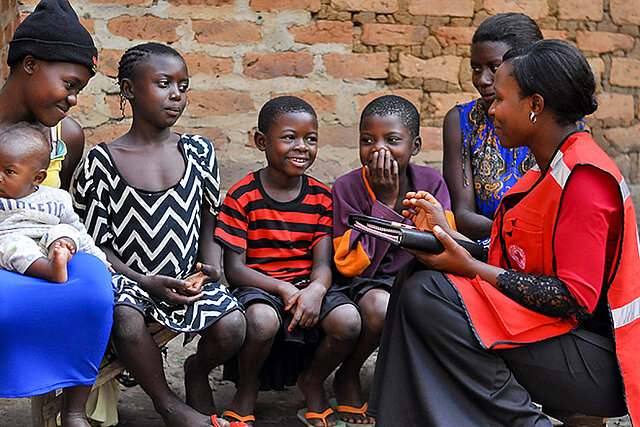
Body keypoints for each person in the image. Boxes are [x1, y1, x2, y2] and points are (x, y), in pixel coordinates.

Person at [368, 39, 640, 426]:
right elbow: (513, 258)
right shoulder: (543, 170)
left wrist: (469, 267)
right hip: (562, 337)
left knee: (429, 295)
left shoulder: (585, 179)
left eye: (500, 99)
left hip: (599, 363)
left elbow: (572, 299)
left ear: (536, 106)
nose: (491, 109)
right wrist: (447, 236)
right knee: (417, 276)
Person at [72, 42, 247, 427]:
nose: (176, 96)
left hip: (186, 279)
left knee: (234, 325)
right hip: (130, 281)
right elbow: (95, 244)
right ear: (129, 89)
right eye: (164, 83)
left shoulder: (198, 151)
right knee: (126, 319)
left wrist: (210, 265)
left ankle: (197, 370)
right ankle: (167, 404)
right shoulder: (102, 162)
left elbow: (207, 217)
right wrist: (143, 281)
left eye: (183, 86)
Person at [215, 96, 361, 427]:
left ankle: (313, 379)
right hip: (260, 287)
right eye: (289, 137)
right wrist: (283, 289)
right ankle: (247, 388)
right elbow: (235, 270)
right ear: (261, 141)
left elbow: (323, 263)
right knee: (263, 321)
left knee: (348, 321)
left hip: (306, 284)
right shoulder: (242, 197)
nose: (302, 147)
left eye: (311, 139)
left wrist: (316, 290)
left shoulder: (321, 198)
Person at [0, 1, 114, 426]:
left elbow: (57, 211)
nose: (73, 99)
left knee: (96, 293)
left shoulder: (64, 137)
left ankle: (73, 411)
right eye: (68, 83)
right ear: (30, 64)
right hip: (3, 250)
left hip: (47, 251)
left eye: (79, 89)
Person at [331, 95, 451, 425]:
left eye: (392, 140)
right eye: (367, 141)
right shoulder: (347, 188)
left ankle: (424, 391)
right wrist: (383, 204)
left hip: (419, 276)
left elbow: (443, 244)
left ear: (415, 145)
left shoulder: (431, 182)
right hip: (365, 283)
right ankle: (349, 372)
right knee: (379, 307)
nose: (378, 150)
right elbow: (351, 266)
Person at [442, 13, 542, 242]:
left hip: (547, 253)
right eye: (476, 69)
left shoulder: (551, 120)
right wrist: (516, 234)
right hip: (486, 248)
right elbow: (463, 215)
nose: (482, 80)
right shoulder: (461, 122)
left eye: (494, 67)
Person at [0, 123, 110, 283]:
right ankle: (49, 269)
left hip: (50, 242)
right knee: (11, 245)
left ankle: (58, 256)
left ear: (38, 178)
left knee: (66, 230)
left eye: (9, 171)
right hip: (16, 245)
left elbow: (78, 229)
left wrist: (101, 260)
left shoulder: (58, 198)